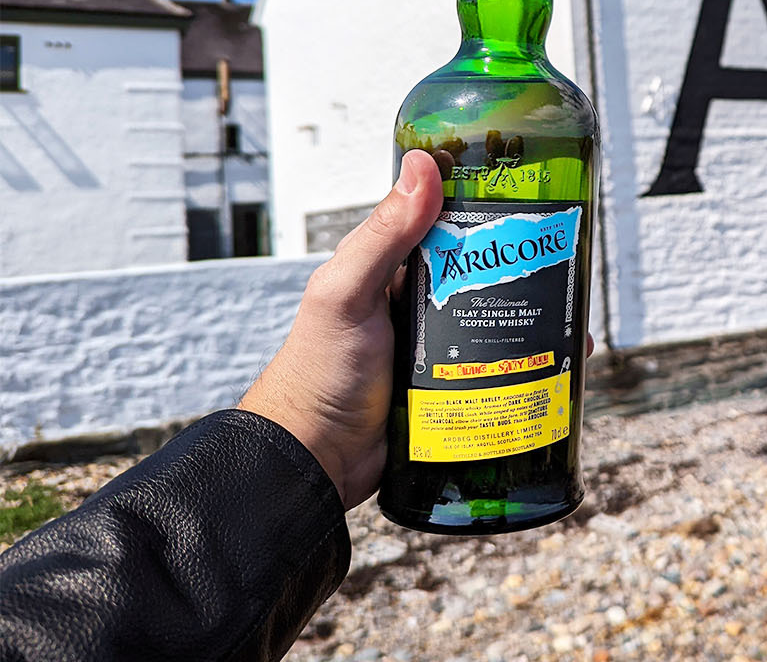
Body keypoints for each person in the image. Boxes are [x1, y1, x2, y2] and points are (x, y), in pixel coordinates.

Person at [0, 151, 588, 662]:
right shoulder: (462, 103)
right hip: (430, 428)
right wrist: (316, 432)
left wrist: (313, 432)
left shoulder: (547, 106)